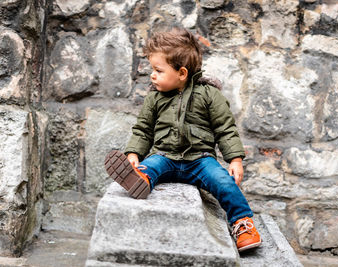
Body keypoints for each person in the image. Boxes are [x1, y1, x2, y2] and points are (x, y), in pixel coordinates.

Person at [104, 27, 261, 252]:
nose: (152, 75)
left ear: (182, 73)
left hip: (201, 159)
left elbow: (225, 129)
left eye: (158, 70)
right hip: (164, 156)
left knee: (224, 182)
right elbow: (143, 130)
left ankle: (242, 223)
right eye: (152, 69)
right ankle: (140, 179)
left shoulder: (209, 95)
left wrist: (235, 159)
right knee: (150, 167)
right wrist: (133, 154)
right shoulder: (154, 98)